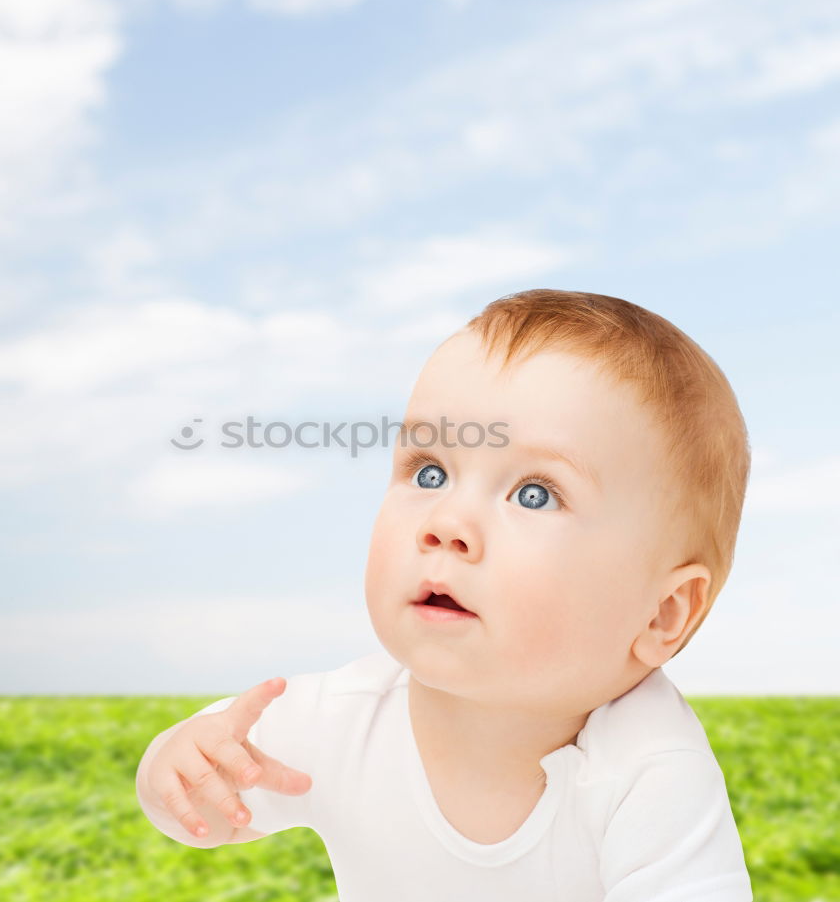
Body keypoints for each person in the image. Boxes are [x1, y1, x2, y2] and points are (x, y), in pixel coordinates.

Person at [136, 289, 754, 901]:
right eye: (429, 472)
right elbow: (204, 814)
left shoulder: (649, 770)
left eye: (535, 494)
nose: (447, 521)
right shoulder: (347, 718)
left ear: (662, 612)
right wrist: (180, 770)